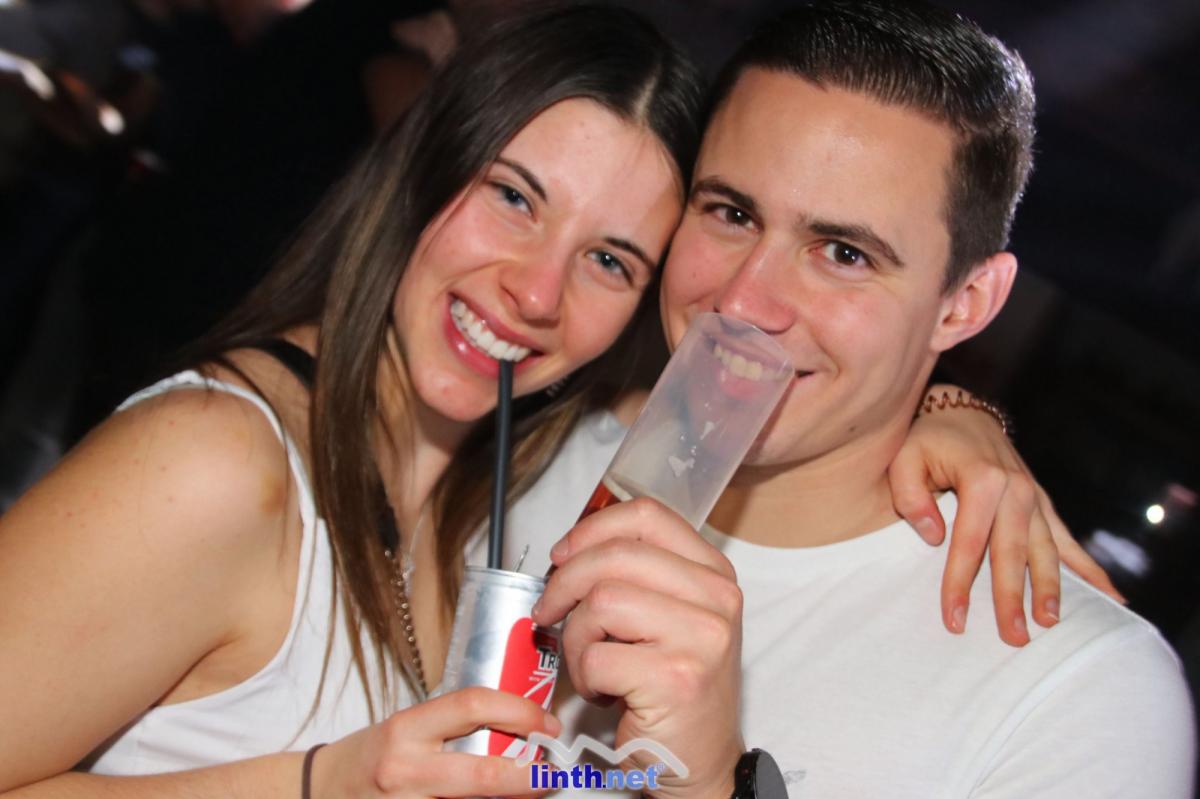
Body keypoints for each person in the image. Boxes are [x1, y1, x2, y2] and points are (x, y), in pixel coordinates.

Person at [0, 4, 1112, 798]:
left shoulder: (516, 476)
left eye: (611, 258)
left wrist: (952, 410)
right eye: (513, 197)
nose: (535, 291)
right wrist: (315, 784)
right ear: (419, 165)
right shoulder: (209, 464)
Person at [530, 2, 1196, 797]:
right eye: (732, 213)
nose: (743, 300)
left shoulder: (1080, 694)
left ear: (965, 303)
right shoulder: (519, 454)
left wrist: (708, 784)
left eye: (844, 253)